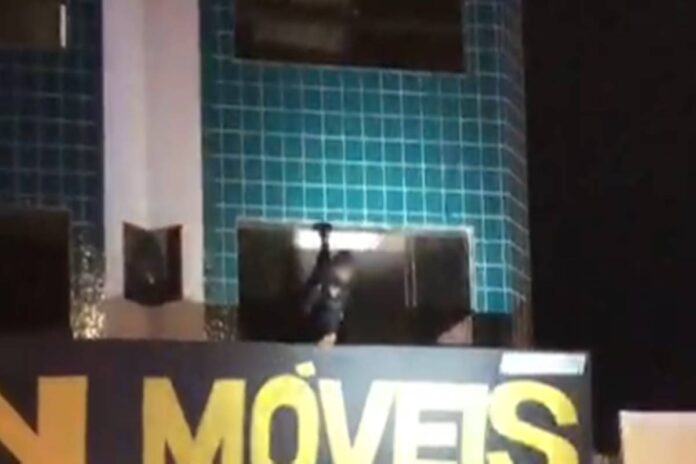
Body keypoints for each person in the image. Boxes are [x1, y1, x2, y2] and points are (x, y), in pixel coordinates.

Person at [300, 225, 356, 347]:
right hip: (323, 301)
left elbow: (309, 305)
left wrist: (308, 304)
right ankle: (324, 241)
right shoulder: (337, 293)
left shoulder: (336, 295)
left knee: (322, 269)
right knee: (323, 268)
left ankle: (324, 241)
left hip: (321, 306)